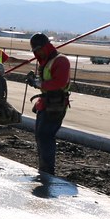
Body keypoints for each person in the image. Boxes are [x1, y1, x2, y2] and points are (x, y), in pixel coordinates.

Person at [26, 33, 70, 176]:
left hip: (55, 105)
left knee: (45, 136)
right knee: (40, 135)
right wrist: (36, 82)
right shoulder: (47, 60)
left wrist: (39, 83)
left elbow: (59, 82)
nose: (37, 54)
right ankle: (44, 168)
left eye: (38, 50)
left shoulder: (60, 60)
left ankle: (47, 171)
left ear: (45, 47)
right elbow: (47, 81)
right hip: (46, 103)